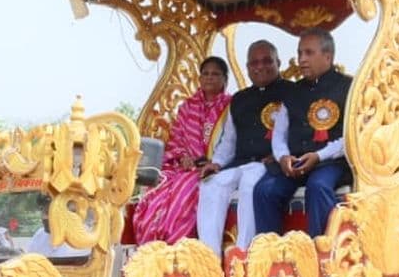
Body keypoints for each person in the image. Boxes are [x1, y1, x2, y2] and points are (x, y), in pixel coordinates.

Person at [253, 28, 353, 238]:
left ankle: (323, 251)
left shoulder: (348, 88)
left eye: (308, 53)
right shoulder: (292, 91)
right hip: (295, 163)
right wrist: (283, 158)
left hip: (330, 162)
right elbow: (279, 134)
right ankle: (271, 254)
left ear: (328, 56)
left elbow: (351, 135)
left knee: (318, 187)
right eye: (300, 53)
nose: (301, 59)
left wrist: (318, 156)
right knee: (264, 190)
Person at [196, 41, 290, 255]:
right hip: (240, 162)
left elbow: (299, 133)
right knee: (211, 184)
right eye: (254, 62)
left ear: (278, 63)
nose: (261, 66)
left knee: (250, 183)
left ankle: (243, 254)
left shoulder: (291, 92)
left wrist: (281, 156)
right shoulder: (240, 99)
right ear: (247, 67)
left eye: (267, 61)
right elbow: (228, 141)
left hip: (268, 164)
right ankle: (209, 257)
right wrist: (216, 163)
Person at [132, 56, 232, 245]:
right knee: (159, 184)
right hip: (184, 166)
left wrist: (208, 162)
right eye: (206, 74)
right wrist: (183, 157)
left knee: (185, 189)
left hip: (214, 167)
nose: (209, 78)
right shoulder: (188, 106)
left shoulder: (230, 106)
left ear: (225, 80)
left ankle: (174, 243)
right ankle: (151, 242)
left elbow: (230, 143)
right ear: (200, 78)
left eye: (215, 74)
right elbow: (176, 139)